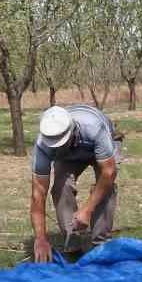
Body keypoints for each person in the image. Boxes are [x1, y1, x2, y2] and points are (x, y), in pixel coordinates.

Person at [29, 104, 120, 263]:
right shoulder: (42, 146)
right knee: (60, 186)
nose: (57, 146)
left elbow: (109, 172)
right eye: (55, 146)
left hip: (96, 144)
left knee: (106, 186)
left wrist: (87, 210)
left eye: (61, 143)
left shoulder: (94, 127)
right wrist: (40, 239)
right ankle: (73, 243)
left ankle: (100, 244)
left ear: (72, 132)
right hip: (68, 155)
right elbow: (38, 193)